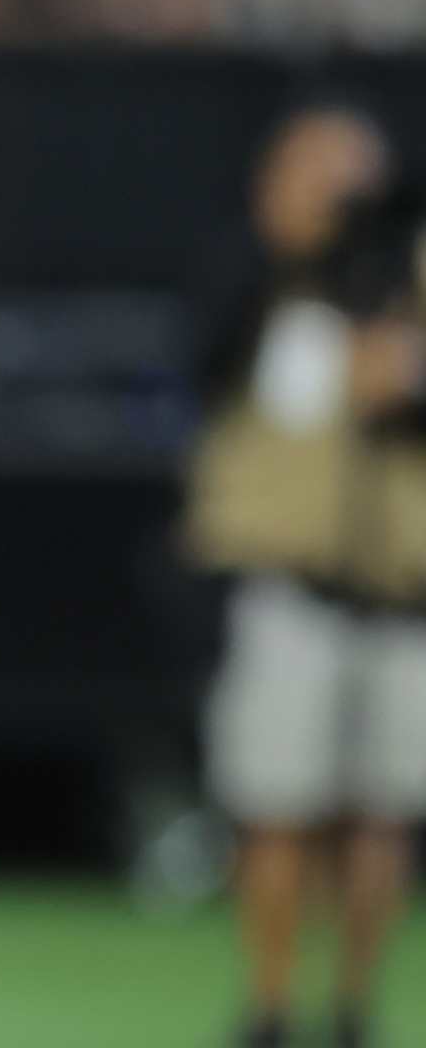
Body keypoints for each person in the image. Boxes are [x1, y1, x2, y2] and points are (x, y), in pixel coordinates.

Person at [186, 103, 426, 1048]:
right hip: (288, 584)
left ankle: (354, 1010)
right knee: (275, 806)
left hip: (406, 595)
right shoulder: (253, 281)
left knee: (384, 811)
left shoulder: (410, 280)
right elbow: (205, 362)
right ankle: (272, 1009)